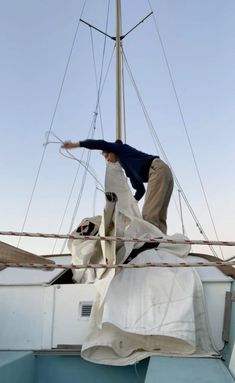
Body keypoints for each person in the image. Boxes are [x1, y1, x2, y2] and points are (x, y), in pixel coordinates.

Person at [62, 139, 173, 234]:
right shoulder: (129, 169)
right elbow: (140, 190)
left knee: (149, 216)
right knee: (160, 216)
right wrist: (132, 203)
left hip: (156, 170)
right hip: (164, 172)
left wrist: (76, 145)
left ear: (113, 150)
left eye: (107, 155)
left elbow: (100, 143)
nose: (107, 159)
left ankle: (151, 246)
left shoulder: (121, 149)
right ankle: (162, 245)